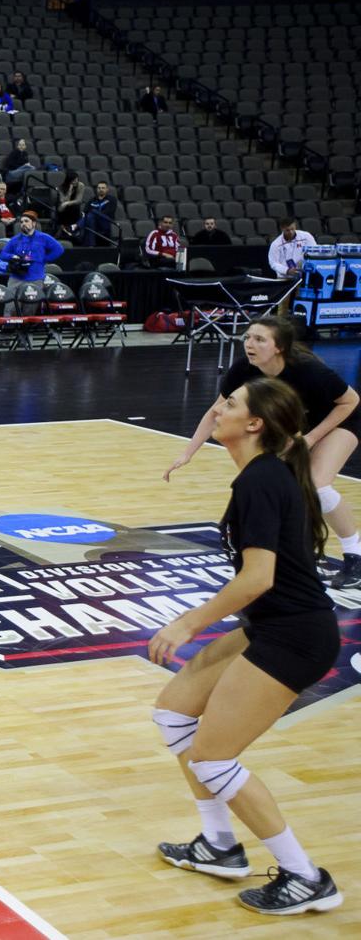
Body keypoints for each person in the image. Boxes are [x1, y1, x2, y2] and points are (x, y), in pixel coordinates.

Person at [151, 375, 342, 916]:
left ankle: (305, 877)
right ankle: (218, 845)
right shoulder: (264, 474)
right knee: (174, 714)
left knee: (213, 759)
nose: (218, 410)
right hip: (273, 626)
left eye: (230, 404)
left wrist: (189, 623)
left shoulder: (261, 481)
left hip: (296, 637)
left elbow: (258, 577)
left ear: (254, 423)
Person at [167, 314, 361, 586]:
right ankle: (298, 554)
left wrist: (311, 438)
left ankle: (355, 556)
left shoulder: (309, 370)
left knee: (316, 485)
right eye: (247, 337)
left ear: (279, 347)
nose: (250, 344)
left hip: (341, 420)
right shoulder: (244, 369)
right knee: (281, 486)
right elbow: (215, 411)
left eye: (259, 339)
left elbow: (350, 401)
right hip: (298, 425)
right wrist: (187, 453)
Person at [0, 212, 64, 313]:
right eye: (21, 222)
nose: (23, 224)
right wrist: (12, 256)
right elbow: (2, 254)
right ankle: (10, 323)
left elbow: (59, 249)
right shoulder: (15, 239)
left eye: (26, 221)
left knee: (30, 310)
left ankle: (26, 324)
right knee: (10, 308)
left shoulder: (43, 237)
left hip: (35, 278)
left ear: (33, 223)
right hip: (16, 278)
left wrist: (44, 259)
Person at [83, 181, 117, 246]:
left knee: (91, 215)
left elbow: (109, 212)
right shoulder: (92, 199)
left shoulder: (112, 199)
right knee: (90, 217)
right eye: (99, 188)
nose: (101, 189)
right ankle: (91, 244)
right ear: (97, 189)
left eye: (103, 188)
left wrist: (95, 213)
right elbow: (85, 211)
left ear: (107, 189)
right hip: (93, 221)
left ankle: (76, 226)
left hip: (105, 221)